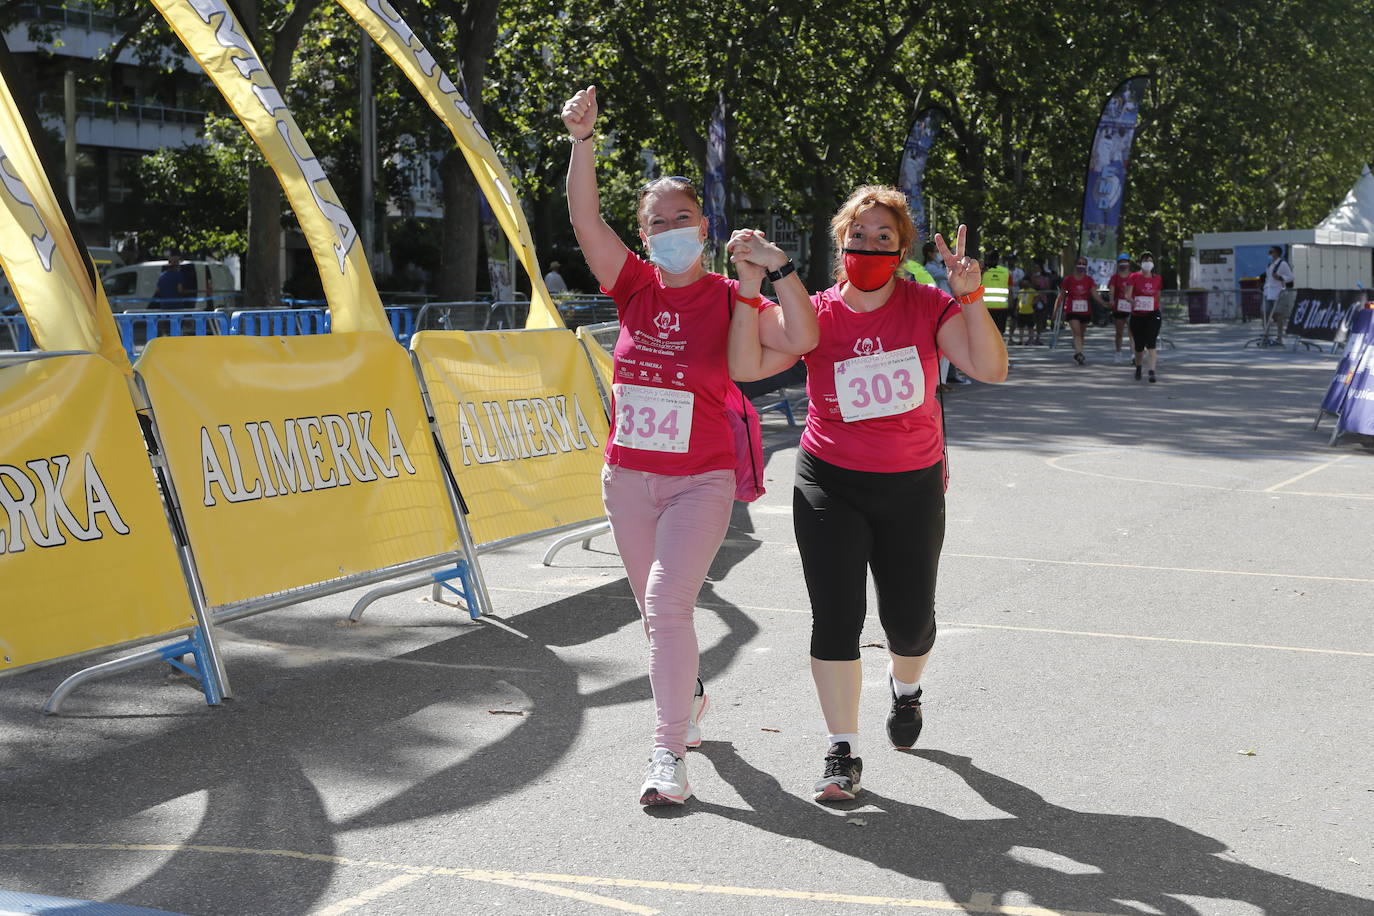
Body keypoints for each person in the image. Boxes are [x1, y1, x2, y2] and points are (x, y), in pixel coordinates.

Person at [560, 86, 817, 806]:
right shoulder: (634, 286)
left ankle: (667, 753)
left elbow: (800, 339)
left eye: (681, 216)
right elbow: (583, 215)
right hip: (626, 478)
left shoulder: (733, 302)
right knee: (656, 613)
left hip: (699, 482)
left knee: (666, 604)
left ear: (703, 226)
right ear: (643, 236)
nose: (669, 227)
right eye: (655, 220)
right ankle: (688, 702)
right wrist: (583, 142)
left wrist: (779, 270)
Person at [728, 186, 1007, 802]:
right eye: (861, 234)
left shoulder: (927, 304)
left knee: (909, 627)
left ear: (903, 248)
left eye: (886, 236)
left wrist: (970, 298)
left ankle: (906, 688)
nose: (871, 244)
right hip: (830, 480)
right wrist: (749, 291)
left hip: (912, 484)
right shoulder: (816, 312)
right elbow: (746, 366)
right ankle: (843, 749)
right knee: (836, 617)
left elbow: (990, 369)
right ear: (841, 242)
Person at [1054, 255, 1108, 365]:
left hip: (1085, 311)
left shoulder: (1089, 280)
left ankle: (1079, 350)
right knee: (1077, 332)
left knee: (1081, 334)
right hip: (1071, 310)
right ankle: (1079, 353)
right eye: (1079, 263)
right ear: (1075, 265)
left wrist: (1104, 303)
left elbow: (1094, 294)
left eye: (1084, 264)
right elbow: (1061, 296)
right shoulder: (1068, 280)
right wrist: (1055, 311)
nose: (1081, 266)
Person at [1124, 250, 1163, 382]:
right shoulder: (1133, 277)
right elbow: (1127, 296)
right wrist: (1133, 301)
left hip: (1153, 314)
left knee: (1151, 343)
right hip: (1137, 315)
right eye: (1145, 261)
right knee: (1139, 346)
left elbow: (1157, 295)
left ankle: (1152, 371)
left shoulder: (1157, 278)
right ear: (1141, 263)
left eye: (1150, 261)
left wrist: (1154, 304)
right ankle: (1139, 367)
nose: (1148, 263)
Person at [1262, 245, 1295, 346]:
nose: (1269, 254)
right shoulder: (1270, 264)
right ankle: (1265, 336)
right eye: (1269, 252)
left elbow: (1291, 277)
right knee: (1264, 313)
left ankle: (1279, 337)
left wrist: (1280, 278)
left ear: (1277, 253)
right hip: (1268, 293)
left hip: (1278, 293)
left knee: (1278, 315)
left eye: (1271, 252)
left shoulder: (1283, 263)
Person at [1106, 253, 1134, 363]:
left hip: (1130, 307)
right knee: (1119, 332)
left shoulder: (1133, 276)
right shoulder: (1115, 278)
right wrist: (1111, 300)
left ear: (1129, 263)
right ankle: (1118, 353)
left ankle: (1133, 354)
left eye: (1125, 261)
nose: (1123, 264)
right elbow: (1111, 291)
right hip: (1119, 307)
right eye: (1121, 262)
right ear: (1118, 264)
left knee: (1132, 331)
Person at [981, 249, 1011, 338]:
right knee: (1000, 332)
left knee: (986, 332)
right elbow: (1011, 289)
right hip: (1002, 307)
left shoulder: (982, 272)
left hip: (985, 307)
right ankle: (999, 350)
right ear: (998, 259)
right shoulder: (1006, 271)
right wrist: (1012, 305)